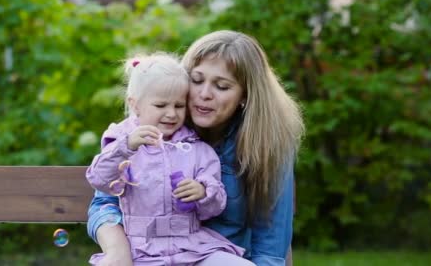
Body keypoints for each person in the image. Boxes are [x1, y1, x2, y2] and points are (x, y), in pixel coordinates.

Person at [87, 31, 304, 266]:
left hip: (216, 256)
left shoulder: (266, 142)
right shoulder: (149, 131)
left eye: (221, 86)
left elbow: (270, 245)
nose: (204, 94)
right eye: (197, 80)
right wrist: (118, 250)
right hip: (146, 255)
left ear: (246, 96)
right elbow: (105, 200)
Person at [86, 52, 252, 266]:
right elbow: (99, 179)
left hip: (192, 248)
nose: (171, 114)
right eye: (161, 105)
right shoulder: (122, 144)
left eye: (179, 105)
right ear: (135, 105)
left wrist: (203, 192)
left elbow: (215, 206)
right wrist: (125, 147)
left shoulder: (197, 150)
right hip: (139, 251)